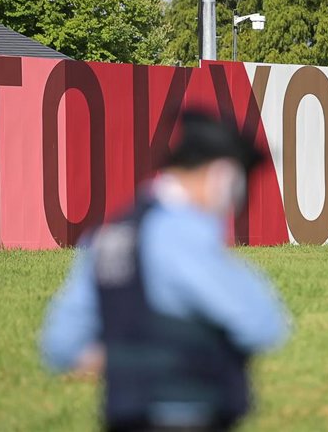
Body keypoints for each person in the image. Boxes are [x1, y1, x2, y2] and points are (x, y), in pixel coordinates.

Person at [40, 110, 291, 432]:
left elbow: (60, 344)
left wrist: (129, 363)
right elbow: (263, 324)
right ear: (221, 176)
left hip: (122, 415)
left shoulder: (108, 235)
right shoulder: (182, 237)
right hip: (189, 414)